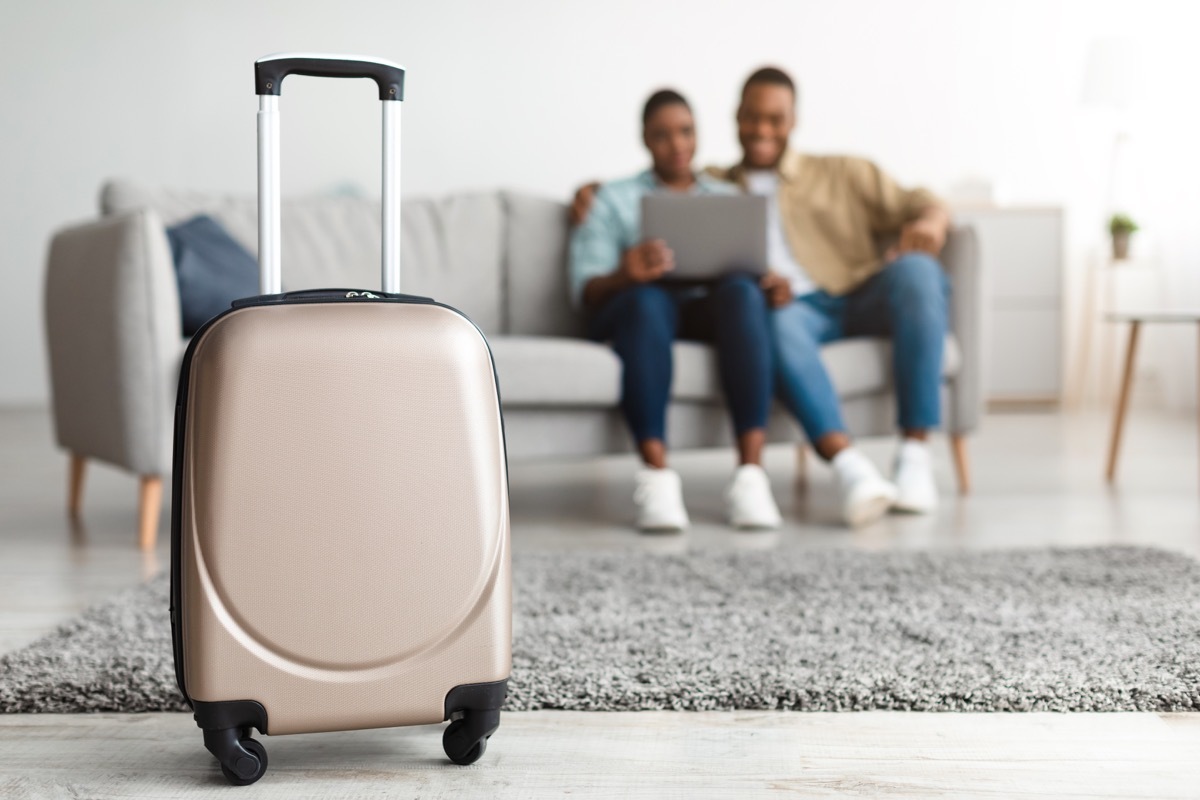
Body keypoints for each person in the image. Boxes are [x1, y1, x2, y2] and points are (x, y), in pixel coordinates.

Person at [574, 68, 952, 528]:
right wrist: (592, 194)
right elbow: (648, 192)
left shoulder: (840, 173)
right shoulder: (708, 184)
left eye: (775, 119)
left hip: (853, 291)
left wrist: (932, 221)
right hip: (789, 310)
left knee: (915, 270)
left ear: (794, 120)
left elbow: (921, 200)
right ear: (736, 118)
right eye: (752, 118)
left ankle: (910, 457)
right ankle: (848, 467)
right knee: (740, 306)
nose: (762, 130)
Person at [569, 89, 781, 533]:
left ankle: (750, 477)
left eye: (685, 132)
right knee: (648, 302)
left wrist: (769, 283)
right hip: (636, 309)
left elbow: (755, 268)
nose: (677, 144)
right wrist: (625, 273)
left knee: (743, 293)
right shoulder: (612, 198)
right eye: (662, 135)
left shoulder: (727, 197)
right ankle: (658, 477)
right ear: (645, 140)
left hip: (705, 311)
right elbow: (584, 289)